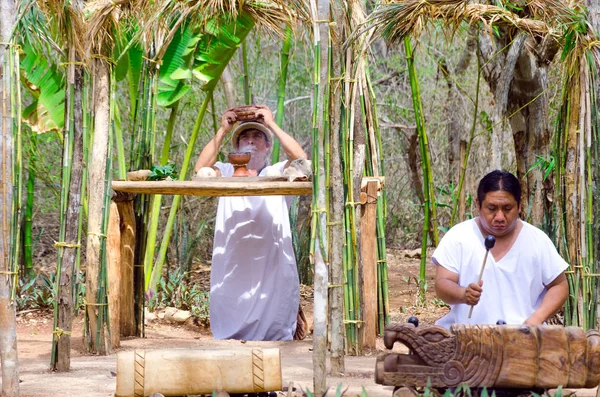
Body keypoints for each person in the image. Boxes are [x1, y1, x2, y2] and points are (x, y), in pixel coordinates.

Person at [194, 104, 307, 341]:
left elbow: (301, 161)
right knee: (230, 321)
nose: (251, 140)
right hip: (233, 265)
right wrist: (223, 129)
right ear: (236, 148)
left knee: (275, 326)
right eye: (244, 137)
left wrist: (272, 124)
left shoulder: (277, 172)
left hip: (272, 266)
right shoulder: (225, 172)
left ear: (267, 147)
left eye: (257, 136)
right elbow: (200, 170)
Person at [433, 170, 569, 327]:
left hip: (522, 339)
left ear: (519, 205)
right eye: (491, 208)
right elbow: (442, 283)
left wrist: (536, 319)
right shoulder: (459, 236)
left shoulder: (537, 240)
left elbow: (559, 285)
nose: (499, 217)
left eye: (507, 208)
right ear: (478, 204)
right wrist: (463, 294)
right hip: (465, 337)